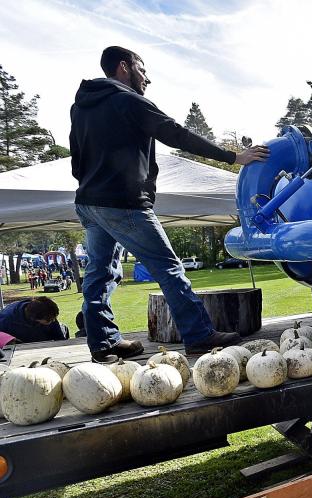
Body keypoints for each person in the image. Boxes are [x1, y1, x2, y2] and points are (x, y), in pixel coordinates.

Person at [69, 45, 269, 361]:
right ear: (124, 67)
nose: (147, 77)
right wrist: (233, 157)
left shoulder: (80, 108)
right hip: (124, 204)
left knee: (100, 274)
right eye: (142, 69)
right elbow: (174, 133)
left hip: (89, 203)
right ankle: (200, 335)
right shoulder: (128, 101)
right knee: (169, 269)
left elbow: (76, 161)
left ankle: (103, 341)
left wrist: (94, 186)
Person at [0, 297, 69, 344]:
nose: (53, 321)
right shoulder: (6, 321)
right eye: (50, 320)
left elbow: (60, 339)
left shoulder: (46, 310)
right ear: (34, 318)